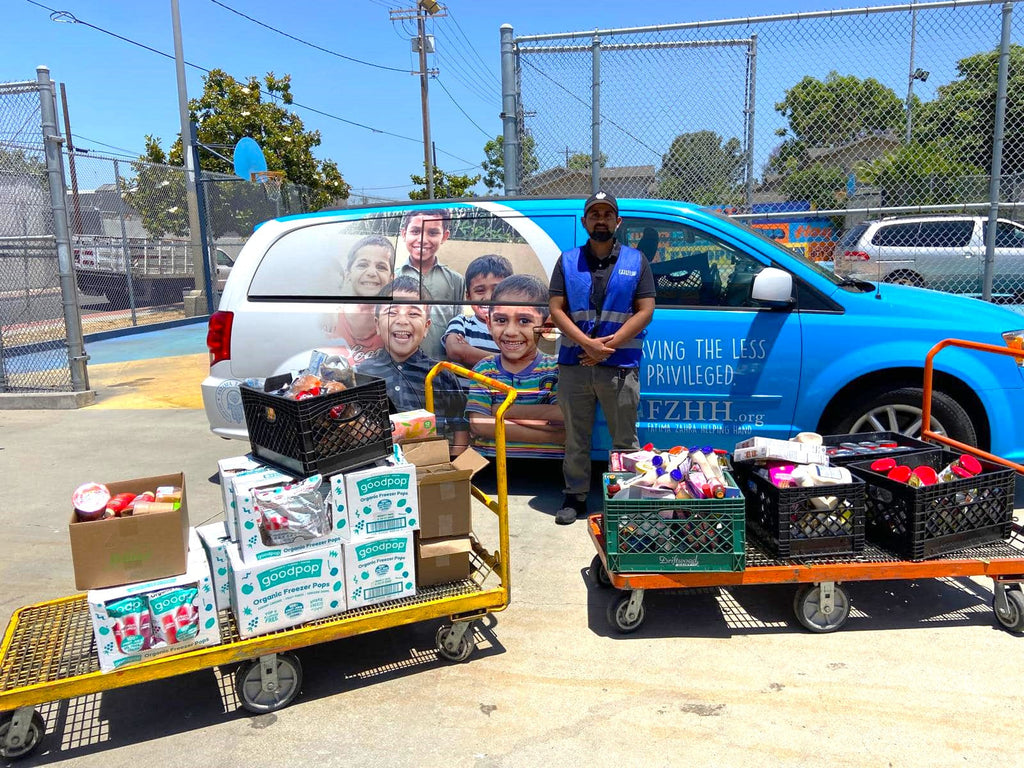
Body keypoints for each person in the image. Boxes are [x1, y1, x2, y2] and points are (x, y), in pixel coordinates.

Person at [548, 192, 656, 525]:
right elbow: (556, 309)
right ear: (584, 222)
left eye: (607, 215)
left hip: (619, 367)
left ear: (617, 222)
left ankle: (628, 496)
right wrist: (587, 344)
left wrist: (607, 346)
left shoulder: (636, 261)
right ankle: (574, 496)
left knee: (625, 438)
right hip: (575, 364)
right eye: (594, 214)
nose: (600, 219)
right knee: (576, 436)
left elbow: (646, 310)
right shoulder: (567, 261)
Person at [357, 275, 469, 453]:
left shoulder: (442, 374)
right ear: (377, 325)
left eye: (413, 313)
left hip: (428, 468)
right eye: (392, 312)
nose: (402, 320)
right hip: (378, 472)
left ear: (426, 327)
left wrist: (453, 463)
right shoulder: (362, 373)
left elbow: (461, 426)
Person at [466, 274, 564, 456]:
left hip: (550, 471)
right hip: (491, 471)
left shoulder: (555, 369)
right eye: (501, 320)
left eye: (524, 321)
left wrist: (500, 411)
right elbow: (479, 425)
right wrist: (552, 436)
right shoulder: (484, 370)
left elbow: (562, 418)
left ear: (547, 326)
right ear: (488, 323)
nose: (511, 331)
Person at [398, 209, 465, 360]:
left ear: (444, 236)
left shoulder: (455, 280)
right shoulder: (393, 277)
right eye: (415, 231)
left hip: (440, 366)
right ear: (403, 234)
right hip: (401, 365)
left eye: (433, 233)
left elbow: (457, 327)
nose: (422, 239)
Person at [321, 235, 397, 364]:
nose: (371, 272)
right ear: (348, 273)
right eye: (362, 265)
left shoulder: (396, 323)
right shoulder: (327, 319)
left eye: (381, 267)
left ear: (392, 278)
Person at [443, 254, 514, 368]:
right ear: (469, 296)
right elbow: (455, 351)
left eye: (496, 290)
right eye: (480, 291)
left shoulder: (513, 326)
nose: (488, 298)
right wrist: (507, 359)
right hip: (466, 386)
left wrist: (469, 351)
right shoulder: (461, 322)